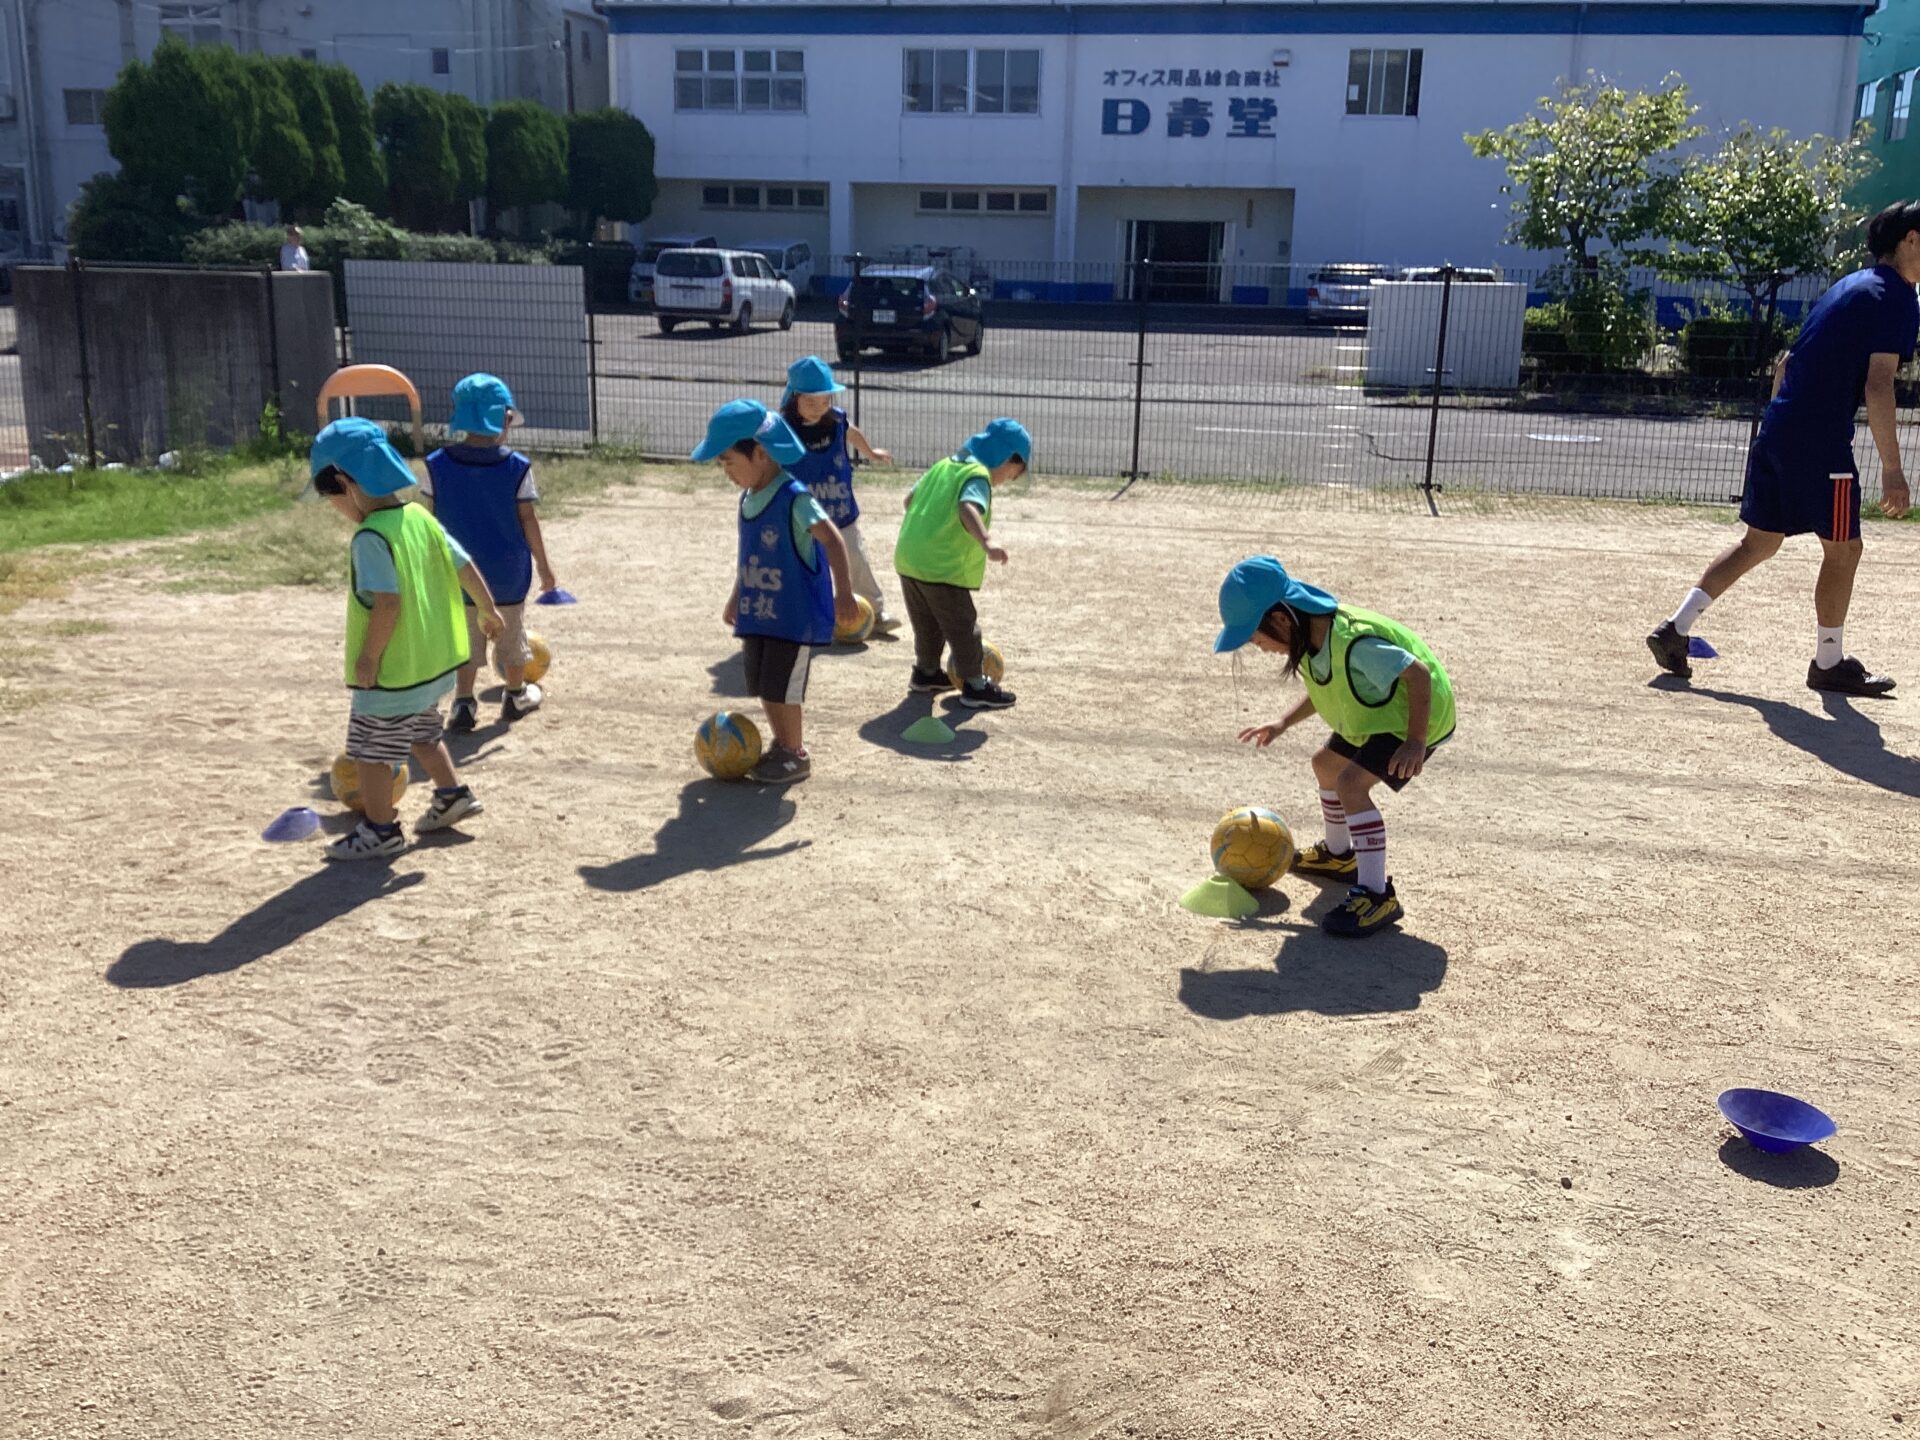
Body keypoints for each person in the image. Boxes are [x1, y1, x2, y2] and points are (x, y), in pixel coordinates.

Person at [1647, 200, 1920, 695]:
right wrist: (1893, 470)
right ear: (1911, 241)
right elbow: (1879, 385)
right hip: (1820, 441)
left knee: (1759, 542)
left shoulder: (1848, 287)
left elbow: (1786, 364)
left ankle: (1675, 628)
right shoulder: (1898, 296)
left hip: (1779, 428)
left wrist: (1783, 426)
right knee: (1845, 548)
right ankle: (1828, 663)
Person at [1217, 557, 1456, 939]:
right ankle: (1340, 855)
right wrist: (1282, 722)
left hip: (1413, 717)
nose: (1258, 647)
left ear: (1280, 619)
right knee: (1325, 765)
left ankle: (1377, 894)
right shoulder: (1312, 637)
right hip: (1375, 714)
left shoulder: (1353, 643)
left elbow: (1417, 674)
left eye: (1255, 638)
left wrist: (1415, 742)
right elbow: (1325, 687)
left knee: (1350, 785)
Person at [310, 417, 503, 862]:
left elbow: (387, 604)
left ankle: (381, 831)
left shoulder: (370, 538)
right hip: (431, 668)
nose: (335, 509)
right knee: (423, 735)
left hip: (392, 675)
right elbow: (463, 564)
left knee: (372, 754)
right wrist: (488, 609)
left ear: (345, 484)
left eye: (330, 499)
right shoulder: (420, 517)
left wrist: (368, 659)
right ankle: (452, 795)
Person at [695, 399, 859, 784]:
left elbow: (833, 540)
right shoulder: (749, 498)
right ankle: (781, 745)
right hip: (760, 612)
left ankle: (795, 753)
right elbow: (751, 555)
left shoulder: (794, 498)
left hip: (793, 617)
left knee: (785, 688)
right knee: (766, 685)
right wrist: (737, 596)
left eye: (729, 462)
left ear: (760, 453)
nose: (727, 472)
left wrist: (845, 592)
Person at [419, 374, 559, 729]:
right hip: (507, 575)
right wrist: (544, 567)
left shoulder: (435, 465)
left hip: (457, 576)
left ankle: (463, 703)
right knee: (511, 636)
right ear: (504, 419)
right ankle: (515, 694)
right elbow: (528, 519)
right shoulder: (518, 467)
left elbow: (428, 521)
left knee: (466, 640)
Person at [892, 419, 1028, 709]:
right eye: (1012, 474)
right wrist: (986, 541)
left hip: (909, 559)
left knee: (927, 624)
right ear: (1008, 458)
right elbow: (967, 508)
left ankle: (926, 672)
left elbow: (909, 500)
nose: (1007, 481)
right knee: (963, 627)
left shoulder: (943, 466)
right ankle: (975, 685)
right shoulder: (977, 476)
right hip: (941, 565)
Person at [779, 355, 899, 634]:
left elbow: (852, 434)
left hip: (841, 512)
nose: (819, 408)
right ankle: (803, 619)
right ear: (794, 398)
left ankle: (875, 612)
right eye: (810, 402)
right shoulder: (783, 429)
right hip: (804, 519)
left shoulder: (836, 421)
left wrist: (870, 452)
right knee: (804, 569)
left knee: (856, 560)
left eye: (824, 401)